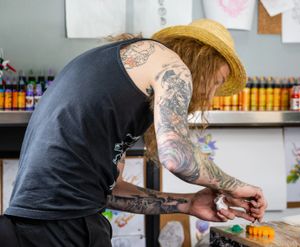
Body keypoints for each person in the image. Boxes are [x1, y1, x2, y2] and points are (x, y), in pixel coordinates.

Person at [0, 19, 267, 246]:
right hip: (62, 227)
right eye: (216, 83)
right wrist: (238, 186)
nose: (210, 98)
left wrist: (188, 203)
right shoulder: (170, 64)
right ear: (203, 62)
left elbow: (109, 191)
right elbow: (176, 156)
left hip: (27, 226)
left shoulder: (121, 80)